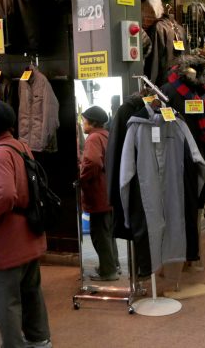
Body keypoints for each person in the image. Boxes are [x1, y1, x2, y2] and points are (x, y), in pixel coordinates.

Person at [0, 100, 51, 348]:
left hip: (8, 240)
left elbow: (3, 195)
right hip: (30, 233)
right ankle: (40, 340)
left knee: (4, 299)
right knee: (31, 293)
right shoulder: (20, 147)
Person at [79, 106, 119, 281]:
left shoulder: (93, 138)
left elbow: (93, 162)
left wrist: (82, 176)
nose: (82, 122)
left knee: (99, 235)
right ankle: (111, 264)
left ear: (92, 122)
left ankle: (108, 271)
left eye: (84, 119)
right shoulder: (106, 135)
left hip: (98, 193)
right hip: (108, 192)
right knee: (108, 232)